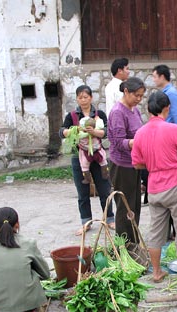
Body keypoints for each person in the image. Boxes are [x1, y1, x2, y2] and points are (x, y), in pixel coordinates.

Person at [131, 91, 177, 285]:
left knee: (155, 230)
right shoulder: (173, 129)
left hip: (154, 187)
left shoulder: (140, 133)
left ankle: (156, 272)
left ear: (147, 109)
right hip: (176, 183)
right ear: (167, 108)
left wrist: (154, 164)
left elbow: (136, 163)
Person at [60, 85, 114, 236]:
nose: (83, 100)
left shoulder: (99, 114)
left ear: (91, 98)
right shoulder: (72, 116)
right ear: (77, 99)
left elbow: (106, 131)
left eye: (86, 97)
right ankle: (86, 222)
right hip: (79, 156)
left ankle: (110, 219)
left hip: (97, 154)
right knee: (82, 192)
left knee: (104, 188)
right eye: (80, 97)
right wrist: (72, 131)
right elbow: (62, 131)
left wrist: (93, 132)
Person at [108, 77, 146, 243]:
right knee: (125, 206)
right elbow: (118, 141)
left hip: (135, 163)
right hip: (122, 165)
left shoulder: (134, 109)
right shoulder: (118, 112)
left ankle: (134, 240)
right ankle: (124, 244)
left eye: (141, 96)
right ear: (126, 92)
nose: (138, 99)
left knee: (135, 204)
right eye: (136, 95)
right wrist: (135, 142)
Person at [152, 64, 177, 135]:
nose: (153, 80)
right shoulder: (166, 92)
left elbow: (176, 114)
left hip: (170, 133)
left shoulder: (171, 93)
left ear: (162, 77)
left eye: (155, 77)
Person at [76, 116, 108, 184]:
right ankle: (88, 178)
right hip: (88, 151)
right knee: (101, 161)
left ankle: (104, 174)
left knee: (86, 165)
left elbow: (104, 128)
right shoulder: (81, 133)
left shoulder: (96, 130)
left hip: (94, 151)